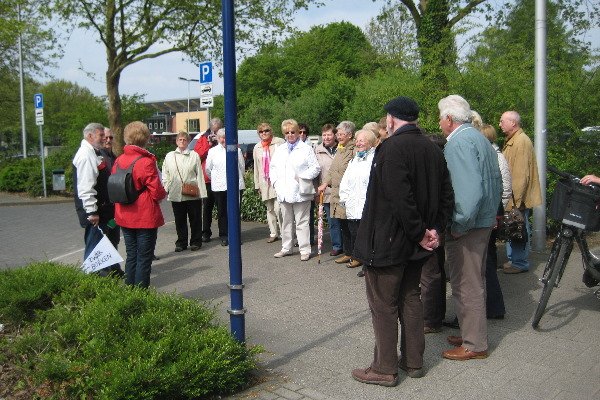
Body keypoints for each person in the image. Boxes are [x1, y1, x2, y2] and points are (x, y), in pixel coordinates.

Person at [351, 96, 454, 386]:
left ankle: (384, 369)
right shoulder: (433, 148)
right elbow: (446, 194)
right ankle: (414, 361)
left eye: (387, 118)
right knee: (411, 298)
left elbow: (400, 200)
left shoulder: (391, 148)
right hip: (416, 243)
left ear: (391, 119)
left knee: (384, 304)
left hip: (390, 242)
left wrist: (422, 232)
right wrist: (434, 230)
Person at [439, 95, 502, 361]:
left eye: (441, 118)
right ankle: (470, 333)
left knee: (467, 284)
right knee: (473, 281)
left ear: (449, 119)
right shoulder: (477, 137)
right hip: (482, 220)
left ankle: (474, 344)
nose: (440, 123)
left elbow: (469, 192)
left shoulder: (459, 142)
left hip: (469, 225)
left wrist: (459, 223)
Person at [113, 121, 167, 288]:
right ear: (145, 138)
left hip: (124, 214)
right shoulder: (145, 161)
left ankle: (129, 292)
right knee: (144, 257)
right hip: (144, 216)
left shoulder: (119, 160)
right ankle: (140, 297)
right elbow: (157, 192)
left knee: (131, 255)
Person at [73, 122, 124, 277]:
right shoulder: (86, 155)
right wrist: (92, 211)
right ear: (90, 136)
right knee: (94, 248)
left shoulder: (93, 153)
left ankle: (113, 272)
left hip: (102, 209)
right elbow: (86, 187)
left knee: (104, 243)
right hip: (95, 212)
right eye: (101, 135)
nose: (104, 139)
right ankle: (91, 282)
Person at [270, 119, 321, 261]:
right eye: (287, 132)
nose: (290, 135)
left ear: (298, 132)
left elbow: (315, 168)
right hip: (284, 192)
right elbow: (272, 168)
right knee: (286, 222)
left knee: (302, 222)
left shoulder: (306, 149)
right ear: (284, 134)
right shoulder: (280, 150)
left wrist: (302, 177)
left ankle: (305, 249)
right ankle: (286, 248)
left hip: (300, 192)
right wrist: (275, 183)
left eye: (293, 132)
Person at [499, 111, 542, 274]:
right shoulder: (514, 140)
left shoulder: (521, 141)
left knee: (519, 227)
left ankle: (520, 262)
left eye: (502, 121)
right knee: (514, 227)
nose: (500, 124)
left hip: (517, 198)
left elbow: (520, 175)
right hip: (515, 197)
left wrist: (515, 200)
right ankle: (514, 260)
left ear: (513, 123)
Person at [480, 123, 510, 319]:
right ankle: (494, 306)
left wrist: (495, 214)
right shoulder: (494, 155)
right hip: (492, 214)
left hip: (490, 215)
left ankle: (494, 306)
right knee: (487, 261)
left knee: (487, 263)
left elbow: (503, 187)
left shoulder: (494, 157)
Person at [338, 129, 377, 276]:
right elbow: (345, 182)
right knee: (357, 235)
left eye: (362, 140)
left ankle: (369, 266)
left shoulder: (375, 159)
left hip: (368, 207)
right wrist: (345, 200)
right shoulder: (355, 160)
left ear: (371, 142)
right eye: (357, 140)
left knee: (369, 237)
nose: (358, 143)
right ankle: (363, 262)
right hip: (353, 206)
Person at [317, 121, 356, 266]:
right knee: (343, 224)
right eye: (338, 134)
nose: (338, 136)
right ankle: (348, 252)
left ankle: (356, 255)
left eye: (341, 134)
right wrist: (325, 183)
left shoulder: (354, 150)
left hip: (348, 193)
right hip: (336, 192)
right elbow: (332, 170)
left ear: (350, 135)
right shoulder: (341, 148)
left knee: (352, 226)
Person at [162, 131, 207, 252]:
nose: (182, 142)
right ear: (176, 141)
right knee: (179, 219)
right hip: (176, 193)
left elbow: (200, 175)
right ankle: (181, 242)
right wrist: (166, 187)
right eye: (180, 139)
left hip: (192, 192)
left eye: (184, 140)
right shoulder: (169, 156)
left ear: (188, 142)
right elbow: (165, 173)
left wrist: (202, 193)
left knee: (195, 218)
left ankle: (196, 241)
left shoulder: (194, 155)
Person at [205, 128, 245, 246]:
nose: (224, 140)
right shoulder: (212, 152)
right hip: (219, 186)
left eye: (226, 137)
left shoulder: (236, 150)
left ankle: (236, 236)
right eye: (222, 137)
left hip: (235, 186)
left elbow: (241, 168)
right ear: (217, 139)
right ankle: (224, 235)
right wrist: (217, 179)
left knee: (235, 211)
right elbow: (208, 169)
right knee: (222, 212)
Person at [253, 123, 285, 243]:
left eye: (266, 131)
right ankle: (273, 232)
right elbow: (257, 167)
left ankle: (283, 232)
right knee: (270, 209)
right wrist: (257, 185)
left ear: (271, 131)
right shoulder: (257, 147)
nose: (264, 133)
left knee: (279, 209)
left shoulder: (279, 142)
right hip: (265, 182)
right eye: (261, 132)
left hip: (277, 181)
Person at [314, 124, 342, 256]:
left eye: (329, 134)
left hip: (341, 191)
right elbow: (315, 172)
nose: (326, 137)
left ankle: (348, 247)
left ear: (335, 135)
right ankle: (337, 245)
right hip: (326, 192)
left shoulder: (342, 148)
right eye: (324, 135)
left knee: (344, 220)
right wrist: (315, 190)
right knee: (332, 222)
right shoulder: (317, 150)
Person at [194, 117, 223, 243]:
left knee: (222, 208)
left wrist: (220, 141)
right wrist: (209, 144)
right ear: (210, 129)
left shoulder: (224, 137)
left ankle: (224, 233)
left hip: (221, 179)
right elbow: (197, 156)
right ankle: (206, 233)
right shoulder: (202, 139)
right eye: (214, 131)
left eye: (218, 131)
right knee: (206, 208)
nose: (215, 134)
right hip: (207, 180)